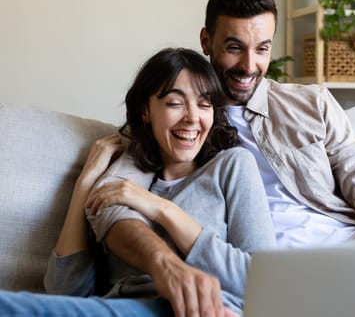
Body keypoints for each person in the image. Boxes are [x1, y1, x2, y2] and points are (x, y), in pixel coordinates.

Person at [93, 0, 355, 317]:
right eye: (235, 47)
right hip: (265, 278)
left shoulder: (312, 104)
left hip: (352, 257)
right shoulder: (180, 125)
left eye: (262, 48)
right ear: (206, 41)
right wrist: (164, 263)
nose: (249, 65)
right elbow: (114, 206)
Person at [0, 47, 275, 317]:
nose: (192, 117)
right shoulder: (125, 180)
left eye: (204, 104)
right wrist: (84, 185)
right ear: (145, 110)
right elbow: (64, 289)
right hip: (128, 305)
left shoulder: (232, 165)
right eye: (175, 103)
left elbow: (267, 280)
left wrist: (163, 210)